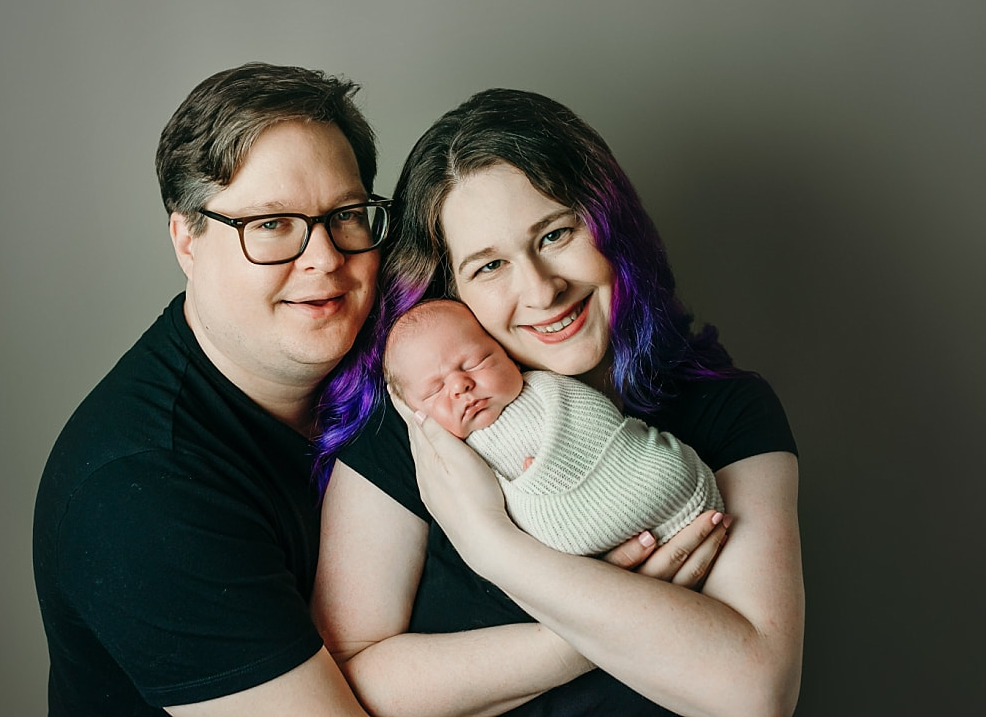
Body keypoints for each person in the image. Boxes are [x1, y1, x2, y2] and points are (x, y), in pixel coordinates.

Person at [312, 89, 804, 716]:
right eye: (488, 266)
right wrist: (599, 629)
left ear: (609, 224)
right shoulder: (414, 419)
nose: (542, 289)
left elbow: (754, 694)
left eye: (556, 233)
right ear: (449, 288)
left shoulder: (729, 411)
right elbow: (349, 687)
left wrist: (493, 547)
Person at [32, 62, 386, 715]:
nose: (326, 258)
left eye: (346, 214)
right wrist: (585, 634)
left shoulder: (409, 359)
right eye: (272, 224)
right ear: (186, 239)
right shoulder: (141, 490)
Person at [383, 298, 724, 555]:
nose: (460, 386)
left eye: (476, 362)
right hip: (576, 538)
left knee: (667, 474)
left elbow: (596, 420)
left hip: (651, 479)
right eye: (434, 389)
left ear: (509, 355)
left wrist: (563, 459)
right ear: (415, 415)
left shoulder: (547, 388)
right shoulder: (451, 458)